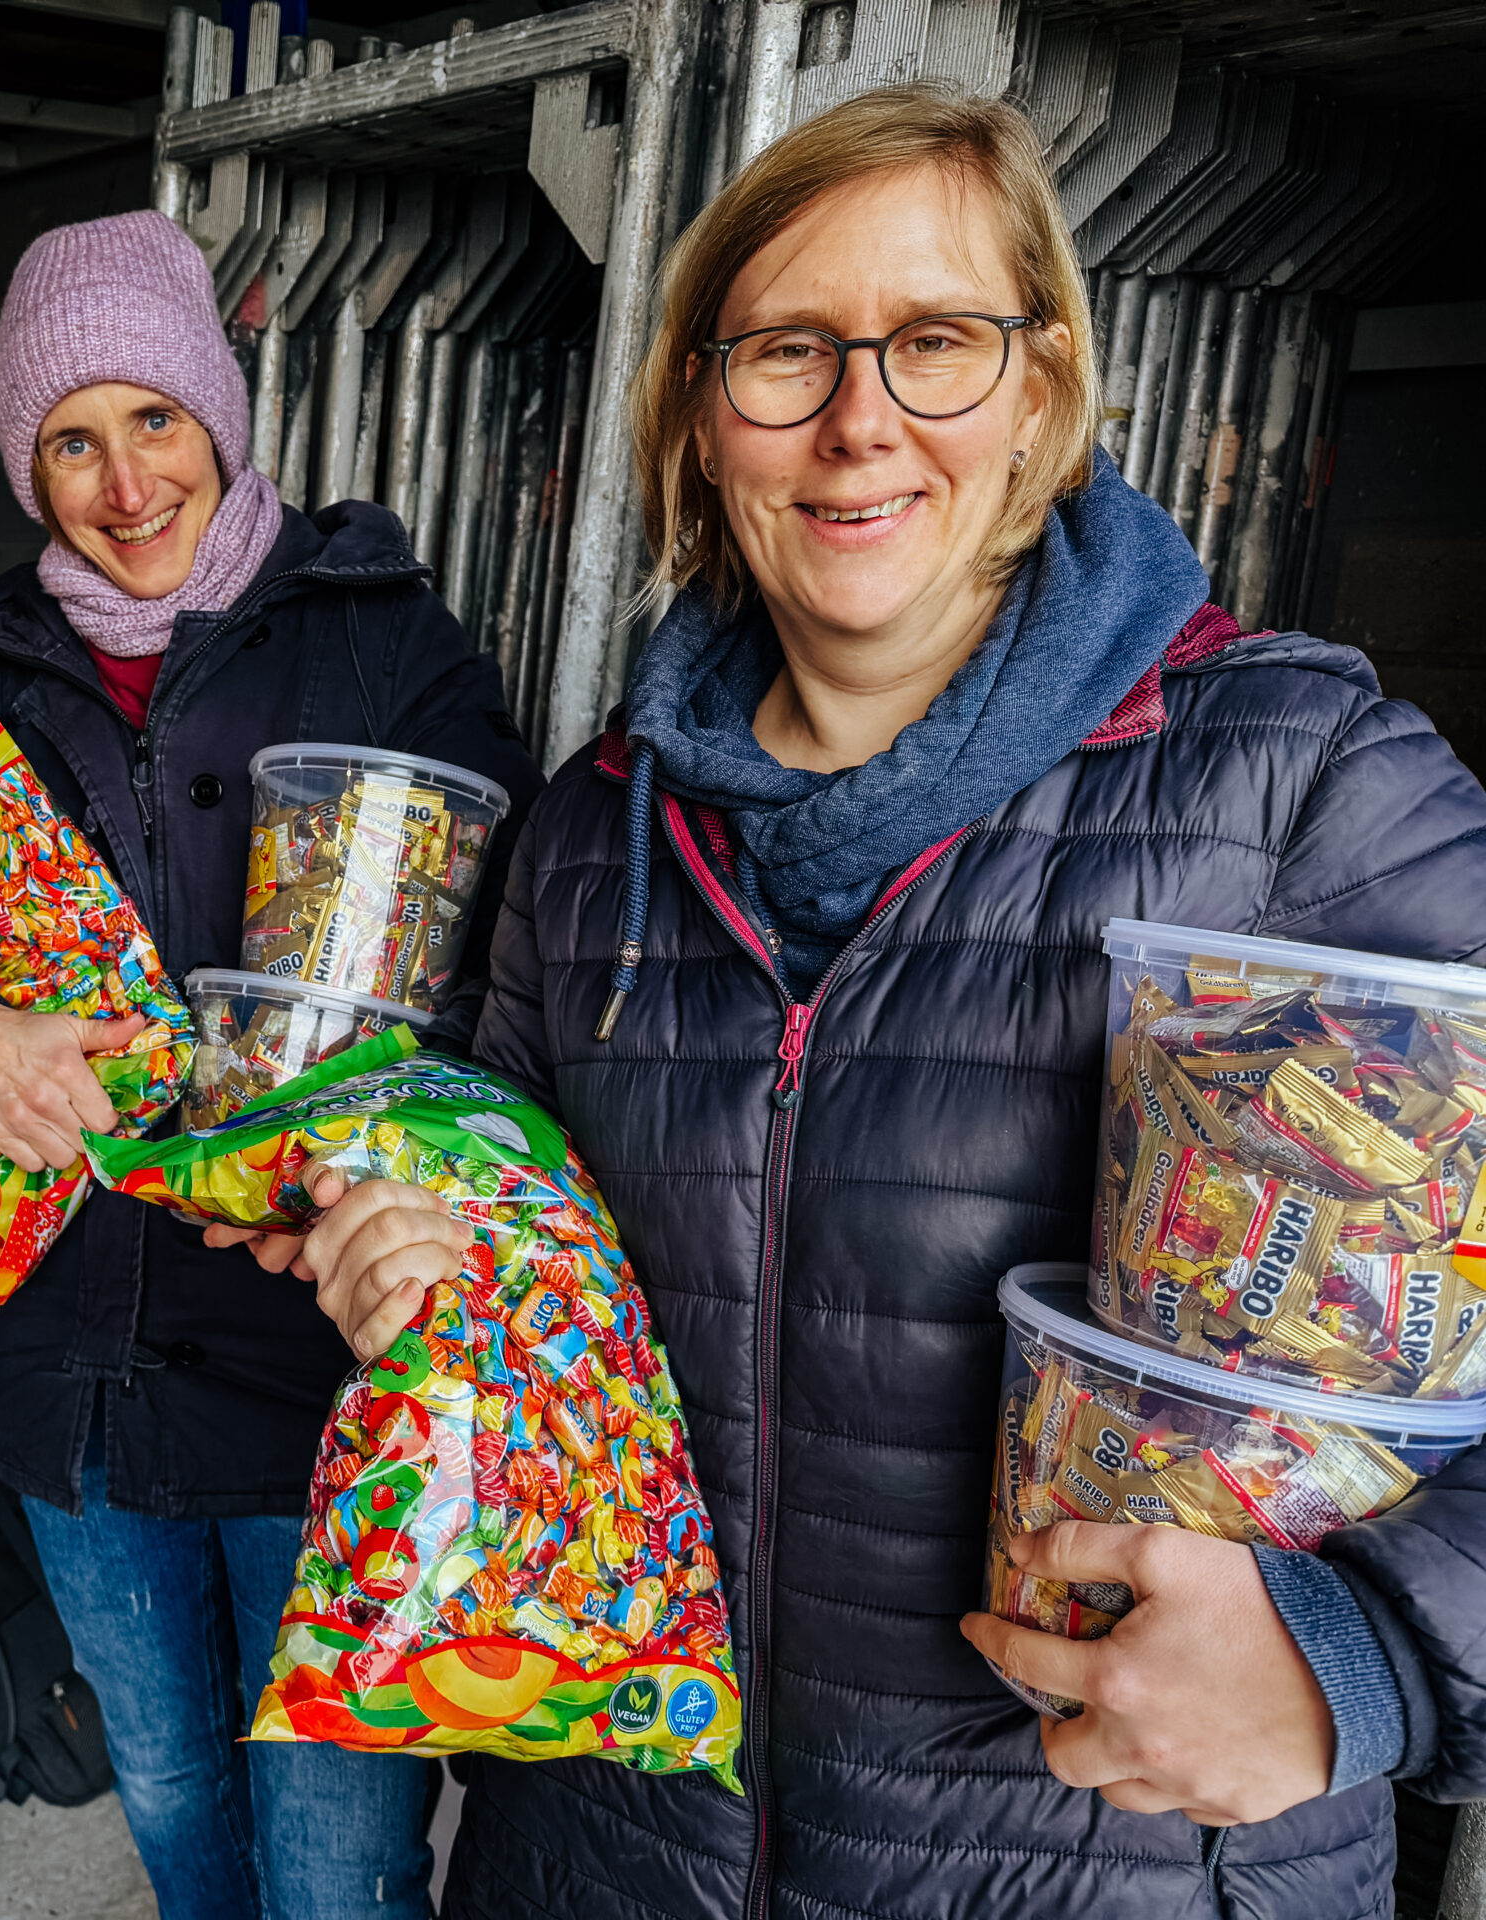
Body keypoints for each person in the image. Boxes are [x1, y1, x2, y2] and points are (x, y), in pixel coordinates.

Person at [284, 85, 1486, 1918]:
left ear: (1040, 391)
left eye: (933, 342)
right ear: (702, 412)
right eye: (786, 352)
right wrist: (417, 1266)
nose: (860, 422)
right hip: (618, 1853)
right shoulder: (590, 837)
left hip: (1108, 1872)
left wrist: (1367, 1651)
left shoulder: (1303, 791)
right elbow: (503, 1239)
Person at [0, 209, 543, 1920]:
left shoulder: (379, 638)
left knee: (336, 1852)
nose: (123, 479)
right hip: (69, 1375)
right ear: (29, 466)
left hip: (318, 1357)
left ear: (218, 418)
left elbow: (511, 972)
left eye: (152, 418)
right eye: (70, 440)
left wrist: (374, 1143)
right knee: (172, 1801)